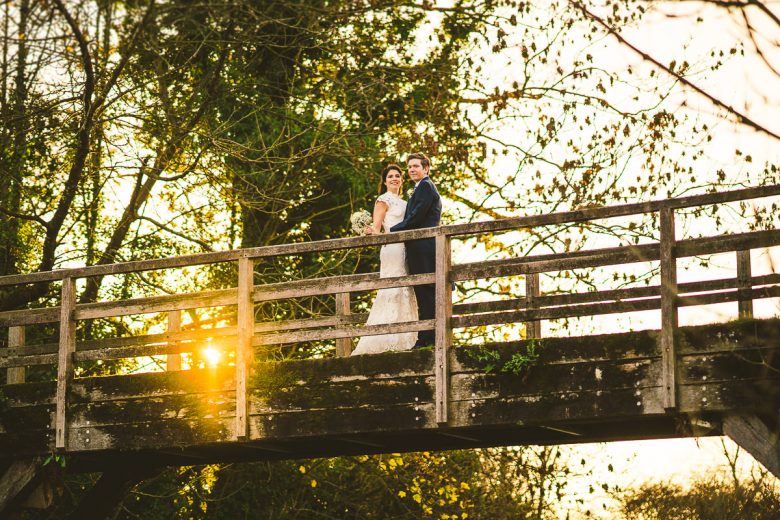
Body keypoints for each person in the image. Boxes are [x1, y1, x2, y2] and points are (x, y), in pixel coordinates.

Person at [351, 164, 418, 355]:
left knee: (406, 287)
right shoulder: (383, 200)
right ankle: (384, 338)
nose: (394, 178)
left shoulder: (405, 202)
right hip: (392, 249)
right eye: (390, 176)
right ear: (385, 181)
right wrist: (367, 229)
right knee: (392, 287)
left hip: (407, 247)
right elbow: (377, 228)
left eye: (397, 176)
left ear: (402, 180)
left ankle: (406, 337)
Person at [389, 152, 441, 348]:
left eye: (416, 166)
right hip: (419, 247)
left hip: (424, 247)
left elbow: (416, 217)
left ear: (426, 168)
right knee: (423, 292)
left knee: (426, 292)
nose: (411, 169)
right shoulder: (420, 187)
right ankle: (425, 337)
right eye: (409, 167)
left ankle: (428, 339)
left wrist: (391, 231)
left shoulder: (426, 186)